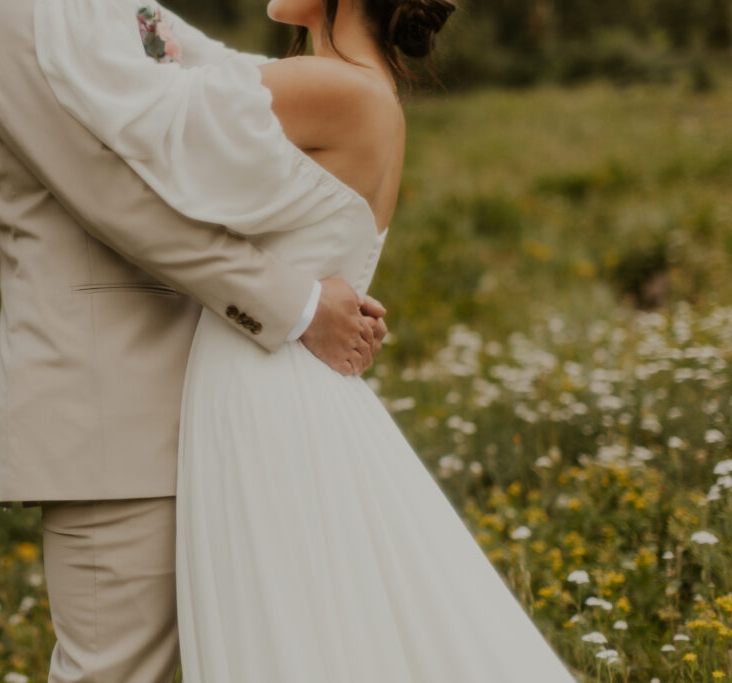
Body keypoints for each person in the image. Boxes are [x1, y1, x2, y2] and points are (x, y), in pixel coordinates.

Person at [30, 0, 582, 680]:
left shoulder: (331, 88)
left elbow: (142, 114)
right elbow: (213, 65)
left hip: (263, 396)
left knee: (282, 632)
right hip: (292, 383)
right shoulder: (354, 86)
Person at [0, 0, 389, 680]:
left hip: (220, 408)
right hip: (116, 407)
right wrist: (299, 303)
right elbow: (115, 195)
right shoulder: (22, 11)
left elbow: (209, 102)